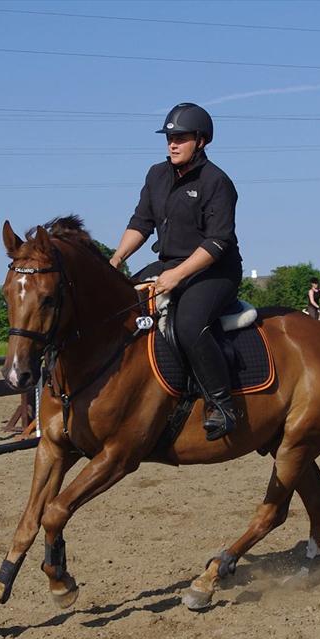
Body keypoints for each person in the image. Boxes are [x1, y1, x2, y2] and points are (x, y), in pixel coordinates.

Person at [109, 102, 243, 441]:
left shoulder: (217, 182)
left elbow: (217, 242)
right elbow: (141, 223)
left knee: (188, 324)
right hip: (169, 264)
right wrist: (116, 259)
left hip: (215, 270)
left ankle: (222, 404)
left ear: (201, 141)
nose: (172, 144)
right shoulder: (156, 175)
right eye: (169, 138)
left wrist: (177, 275)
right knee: (121, 306)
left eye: (180, 138)